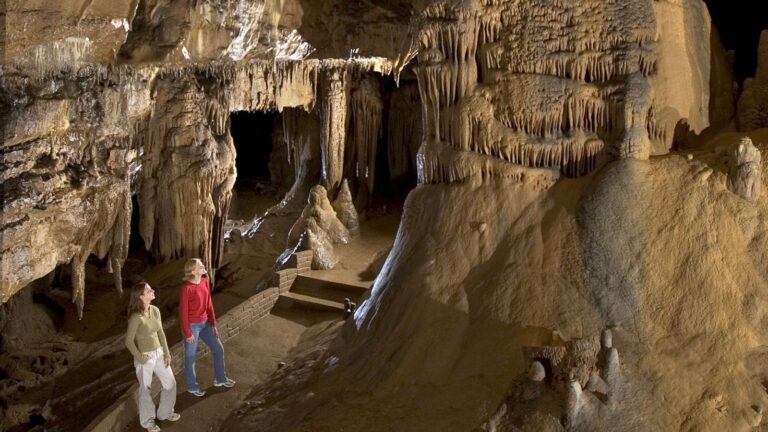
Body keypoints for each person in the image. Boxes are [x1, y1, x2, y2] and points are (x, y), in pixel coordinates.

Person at [125, 282, 180, 432]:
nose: (152, 291)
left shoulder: (155, 310)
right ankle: (147, 421)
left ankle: (164, 413)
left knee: (170, 383)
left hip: (159, 353)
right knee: (146, 390)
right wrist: (141, 358)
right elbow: (129, 342)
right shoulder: (136, 318)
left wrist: (166, 353)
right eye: (148, 290)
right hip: (145, 357)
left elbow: (161, 333)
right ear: (141, 297)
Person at [179, 258, 235, 397]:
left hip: (205, 324)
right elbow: (183, 313)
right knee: (191, 357)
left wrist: (213, 323)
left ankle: (220, 379)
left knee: (218, 349)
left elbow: (209, 304)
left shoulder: (204, 281)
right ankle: (192, 387)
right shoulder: (186, 288)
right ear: (193, 271)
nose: (203, 266)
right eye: (200, 265)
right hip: (192, 327)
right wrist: (187, 332)